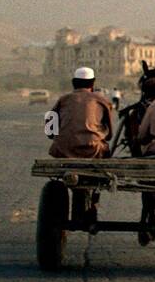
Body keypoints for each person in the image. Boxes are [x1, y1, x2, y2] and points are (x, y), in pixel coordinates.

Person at [47, 66, 113, 225]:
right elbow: (110, 133)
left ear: (73, 83)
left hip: (64, 150)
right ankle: (95, 198)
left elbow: (49, 129)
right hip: (92, 150)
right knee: (106, 154)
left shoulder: (63, 100)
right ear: (92, 84)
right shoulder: (102, 100)